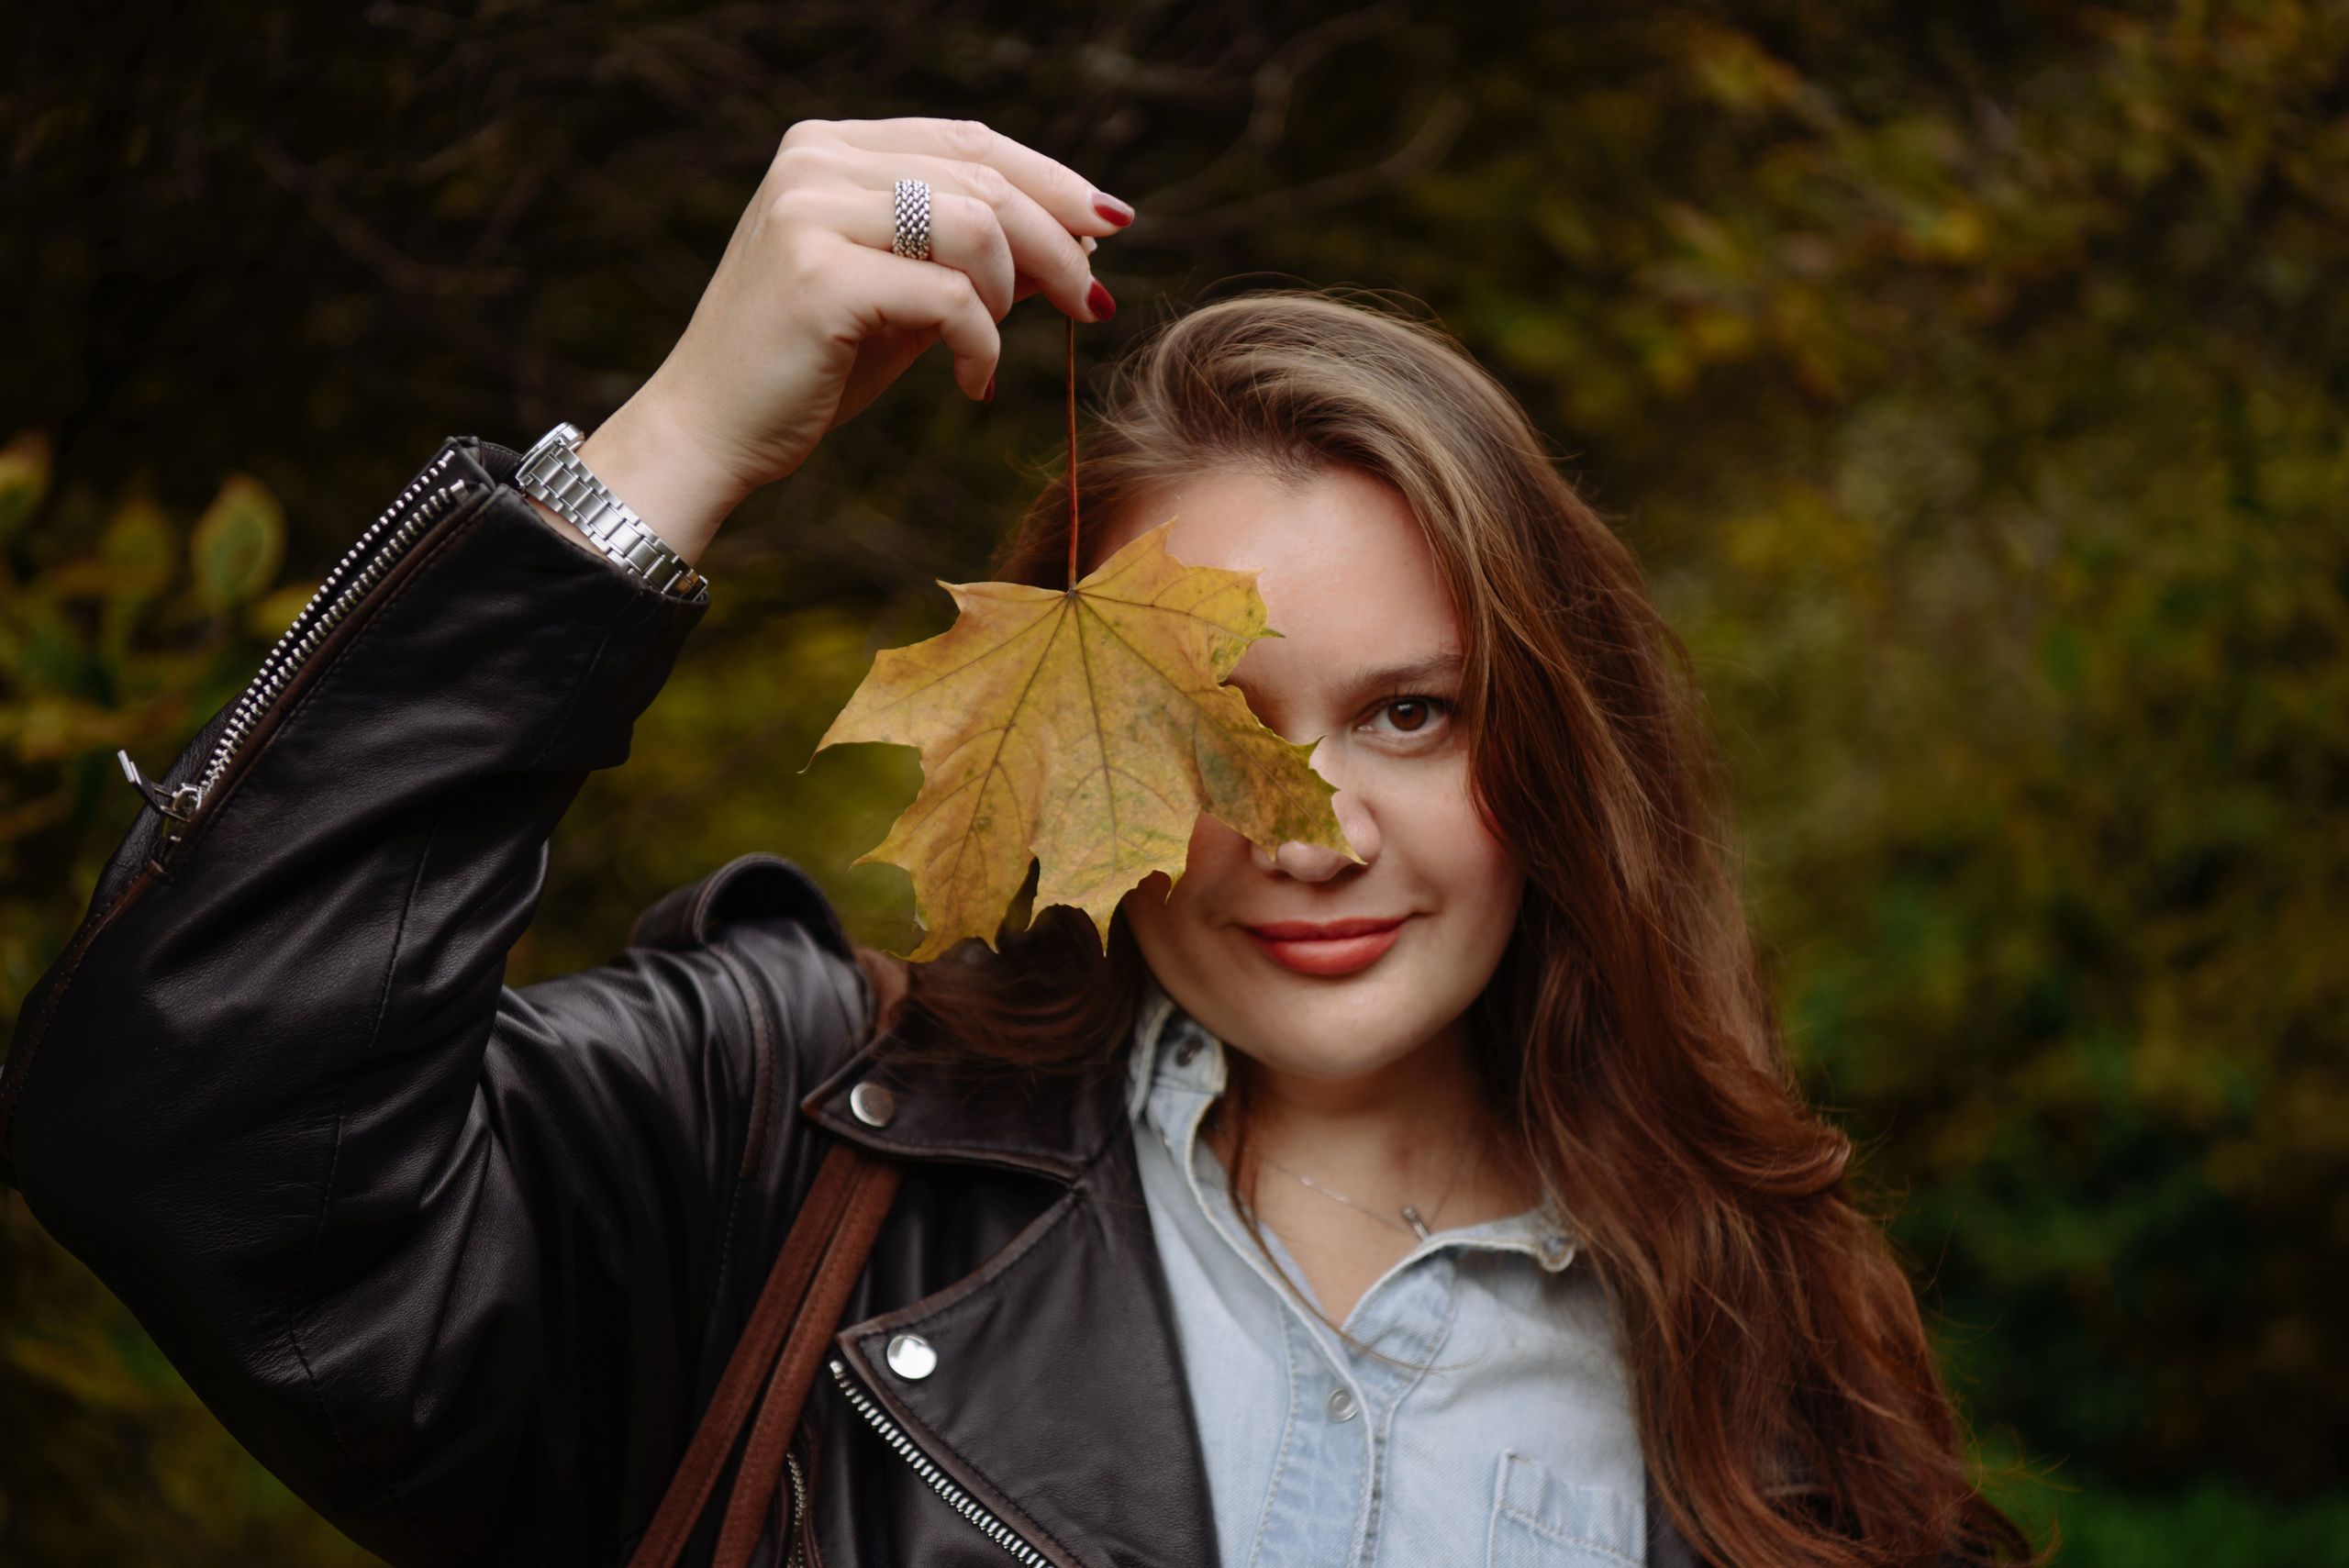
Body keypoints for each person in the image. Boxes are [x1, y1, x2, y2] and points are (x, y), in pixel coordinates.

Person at [0, 118, 2029, 1568]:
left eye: (1410, 713)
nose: (1308, 829)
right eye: (1202, 725)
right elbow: (195, 1121)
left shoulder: (1767, 1337)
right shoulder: (776, 1161)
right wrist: (668, 454)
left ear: (1561, 759)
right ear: (1066, 755)